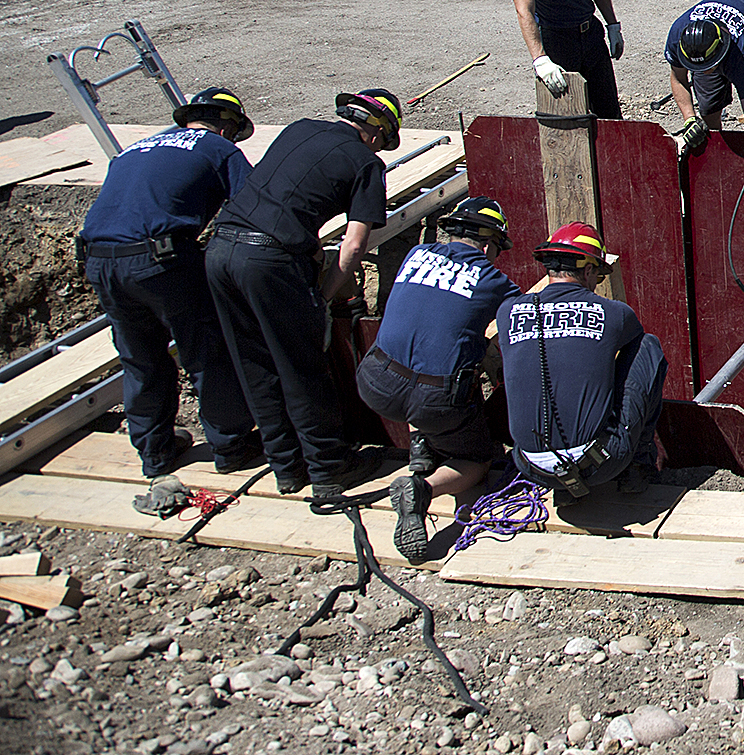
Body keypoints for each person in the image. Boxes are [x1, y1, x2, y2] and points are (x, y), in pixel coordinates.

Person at [205, 89, 403, 501]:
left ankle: (287, 468)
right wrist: (323, 295)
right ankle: (330, 468)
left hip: (220, 248)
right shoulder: (367, 163)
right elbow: (353, 246)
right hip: (268, 260)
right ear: (375, 134)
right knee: (301, 366)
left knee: (254, 363)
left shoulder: (299, 129)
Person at [79, 86, 262, 481]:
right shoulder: (217, 149)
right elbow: (253, 208)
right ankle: (231, 446)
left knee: (140, 358)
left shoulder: (135, 148)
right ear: (227, 126)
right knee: (205, 351)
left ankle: (155, 455)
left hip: (100, 261)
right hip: (162, 262)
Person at [354, 196, 522, 563]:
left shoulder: (415, 256)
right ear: (488, 243)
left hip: (375, 382)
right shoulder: (494, 279)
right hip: (434, 400)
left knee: (422, 348)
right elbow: (521, 320)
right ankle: (420, 489)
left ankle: (420, 447)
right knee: (476, 460)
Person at [497, 222, 665, 501]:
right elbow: (628, 359)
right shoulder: (614, 313)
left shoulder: (508, 312)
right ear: (588, 270)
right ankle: (638, 464)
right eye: (598, 275)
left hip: (530, 466)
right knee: (647, 346)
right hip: (600, 465)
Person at [663, 0, 744, 208]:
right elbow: (678, 78)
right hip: (710, 45)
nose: (707, 71)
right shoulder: (678, 36)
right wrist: (689, 119)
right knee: (709, 107)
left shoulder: (743, 51)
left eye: (710, 66)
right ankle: (715, 165)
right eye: (699, 68)